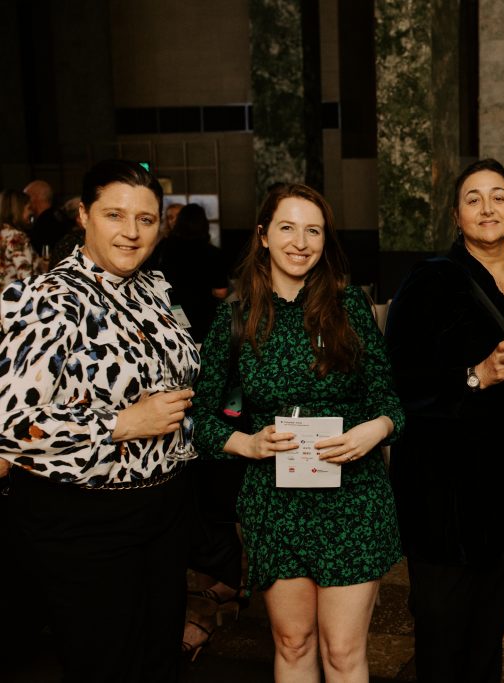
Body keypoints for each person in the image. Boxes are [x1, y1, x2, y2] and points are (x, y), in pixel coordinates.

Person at [191, 183, 402, 680]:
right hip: (274, 501)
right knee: (291, 641)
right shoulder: (235, 317)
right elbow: (199, 418)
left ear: (325, 240)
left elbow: (391, 403)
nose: (301, 242)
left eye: (314, 230)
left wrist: (374, 431)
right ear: (263, 235)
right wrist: (247, 442)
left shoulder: (350, 307)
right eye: (287, 227)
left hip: (352, 499)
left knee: (344, 651)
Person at [0, 159, 199, 682]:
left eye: (147, 220)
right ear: (84, 216)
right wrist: (121, 424)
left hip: (163, 509)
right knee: (107, 666)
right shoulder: (48, 299)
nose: (131, 233)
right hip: (88, 520)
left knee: (159, 663)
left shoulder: (154, 288)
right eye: (115, 215)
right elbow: (13, 423)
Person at [385, 158, 504, 682]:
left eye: (498, 196)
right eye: (473, 198)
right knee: (443, 635)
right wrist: (476, 376)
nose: (487, 207)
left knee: (489, 634)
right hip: (442, 491)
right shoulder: (429, 282)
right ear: (455, 215)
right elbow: (398, 382)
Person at [157, 203, 231, 342]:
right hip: (204, 315)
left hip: (173, 311)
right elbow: (221, 292)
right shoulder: (213, 253)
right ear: (204, 224)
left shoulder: (164, 248)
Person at [0, 189, 39, 286]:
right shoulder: (16, 237)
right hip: (16, 298)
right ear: (18, 209)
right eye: (29, 208)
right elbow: (26, 276)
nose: (32, 213)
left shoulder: (3, 234)